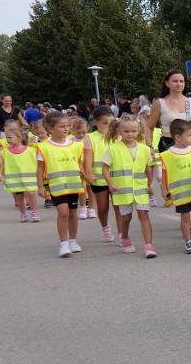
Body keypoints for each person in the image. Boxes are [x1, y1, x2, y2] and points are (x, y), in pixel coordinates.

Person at [103, 114, 156, 257]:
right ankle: (125, 238)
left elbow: (148, 168)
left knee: (144, 215)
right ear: (119, 131)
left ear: (139, 131)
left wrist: (150, 185)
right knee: (126, 217)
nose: (130, 134)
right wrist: (110, 184)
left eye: (134, 131)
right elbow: (105, 168)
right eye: (126, 131)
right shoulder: (113, 148)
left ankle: (149, 245)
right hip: (122, 190)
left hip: (140, 188)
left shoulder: (145, 149)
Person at [36, 112, 85, 258]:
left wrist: (86, 176)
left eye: (67, 126)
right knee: (63, 213)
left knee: (72, 213)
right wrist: (40, 186)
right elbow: (40, 169)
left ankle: (73, 241)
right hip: (57, 186)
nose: (66, 129)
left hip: (73, 185)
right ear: (50, 129)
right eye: (62, 126)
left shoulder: (76, 146)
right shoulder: (44, 147)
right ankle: (64, 243)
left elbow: (79, 164)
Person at [159, 118, 191, 254]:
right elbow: (165, 172)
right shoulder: (168, 155)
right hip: (181, 193)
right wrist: (164, 188)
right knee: (185, 217)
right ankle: (188, 241)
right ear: (177, 137)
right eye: (189, 135)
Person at [146, 70, 191, 152]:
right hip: (168, 144)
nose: (178, 84)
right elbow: (149, 127)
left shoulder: (190, 102)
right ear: (167, 83)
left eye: (181, 81)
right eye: (175, 81)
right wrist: (149, 147)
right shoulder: (160, 103)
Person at [81, 107, 115, 242]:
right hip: (99, 179)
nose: (108, 126)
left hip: (116, 178)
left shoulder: (118, 135)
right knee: (102, 208)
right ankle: (105, 227)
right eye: (105, 123)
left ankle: (123, 235)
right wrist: (88, 173)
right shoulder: (90, 137)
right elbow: (88, 157)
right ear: (95, 122)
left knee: (120, 208)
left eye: (111, 123)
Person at [0, 123, 39, 222]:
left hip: (29, 178)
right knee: (19, 198)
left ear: (19, 138)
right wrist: (0, 174)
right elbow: (2, 163)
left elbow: (38, 162)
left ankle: (34, 212)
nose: (7, 139)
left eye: (10, 137)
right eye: (7, 137)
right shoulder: (5, 152)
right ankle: (23, 213)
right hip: (15, 180)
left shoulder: (31, 150)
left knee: (31, 193)